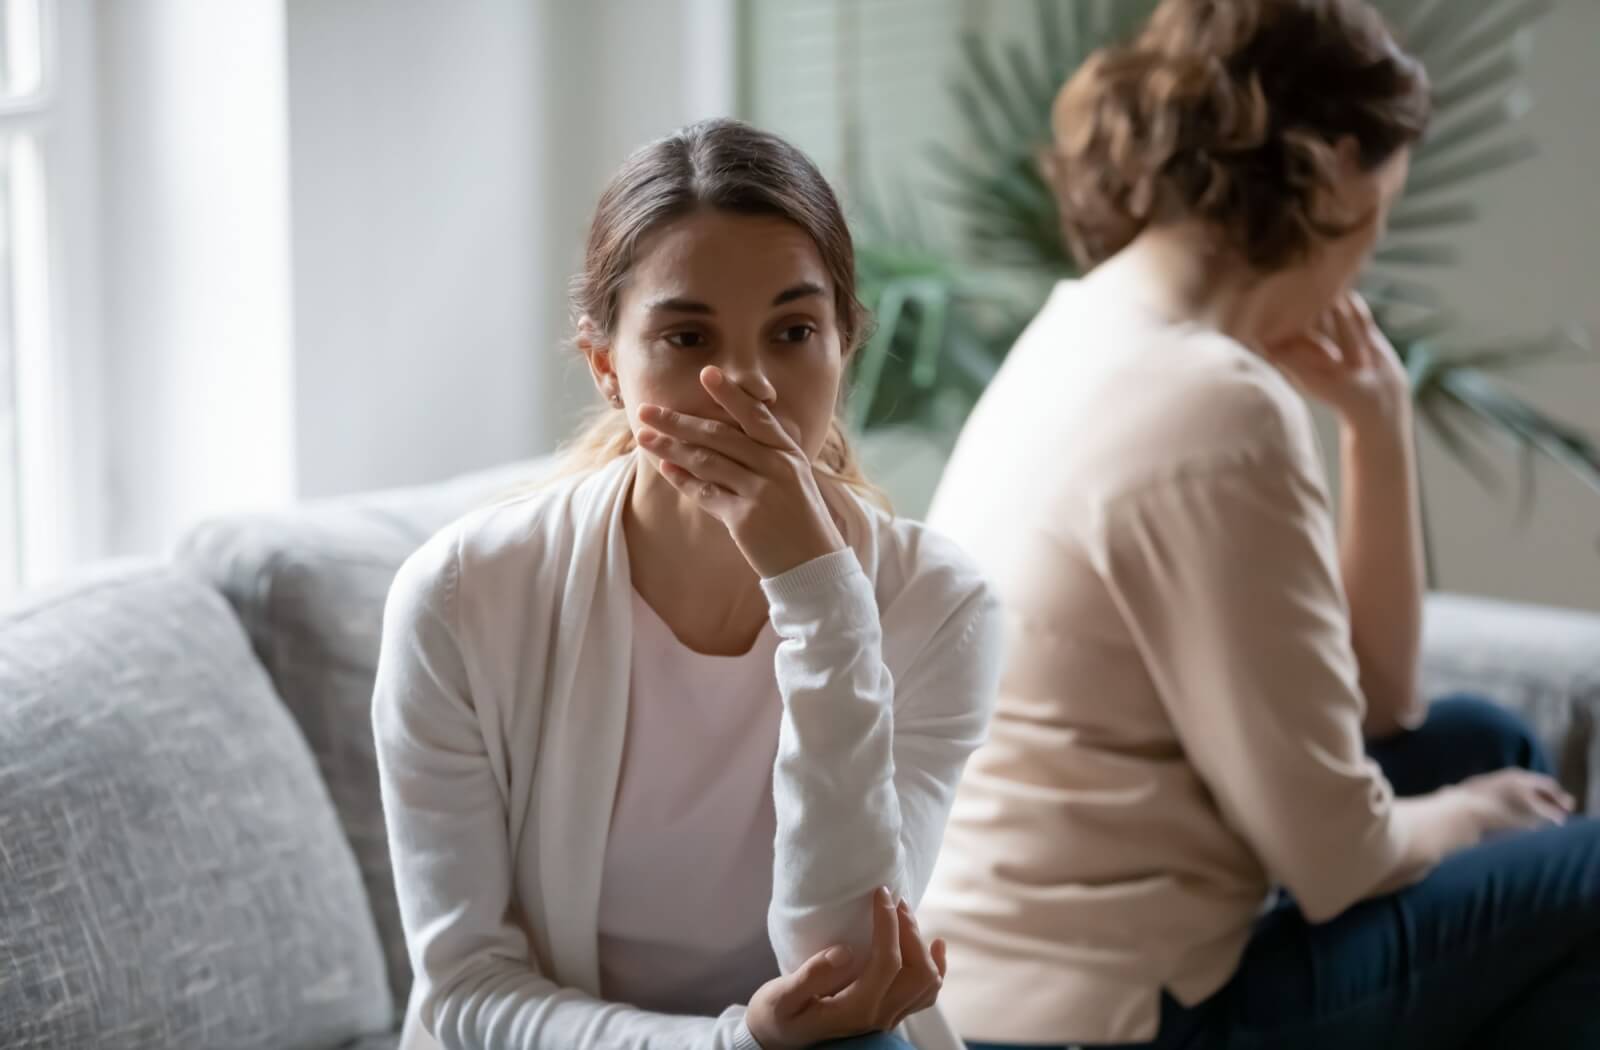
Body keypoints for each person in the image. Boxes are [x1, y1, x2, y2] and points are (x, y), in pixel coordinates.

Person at [919, 1, 1600, 1047]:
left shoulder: (1085, 323)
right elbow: (1339, 858)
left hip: (995, 981)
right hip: (1106, 1019)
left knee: (1483, 744)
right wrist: (1470, 819)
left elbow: (1379, 703)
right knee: (1576, 860)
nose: (1363, 261)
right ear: (1331, 175)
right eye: (1379, 214)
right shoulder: (1211, 403)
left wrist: (1376, 426)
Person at [371, 118, 1003, 1050]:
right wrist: (730, 1044)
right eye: (685, 336)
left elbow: (839, 967)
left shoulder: (937, 606)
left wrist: (821, 596)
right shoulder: (464, 599)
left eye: (792, 332)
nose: (744, 385)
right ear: (607, 369)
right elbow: (466, 990)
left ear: (845, 347)